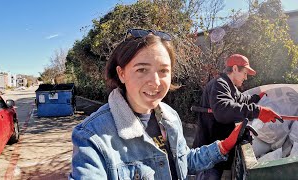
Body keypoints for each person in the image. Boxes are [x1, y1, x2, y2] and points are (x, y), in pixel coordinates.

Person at [69, 29, 247, 180]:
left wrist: (222, 147)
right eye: (142, 70)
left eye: (163, 71)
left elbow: (183, 160)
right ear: (121, 73)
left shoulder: (169, 116)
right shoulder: (92, 137)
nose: (155, 82)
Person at [192, 54, 281, 180]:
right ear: (234, 69)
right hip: (208, 152)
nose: (245, 77)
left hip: (218, 149)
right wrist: (258, 111)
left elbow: (242, 99)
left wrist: (257, 98)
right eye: (244, 73)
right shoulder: (219, 84)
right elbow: (223, 110)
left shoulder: (230, 87)